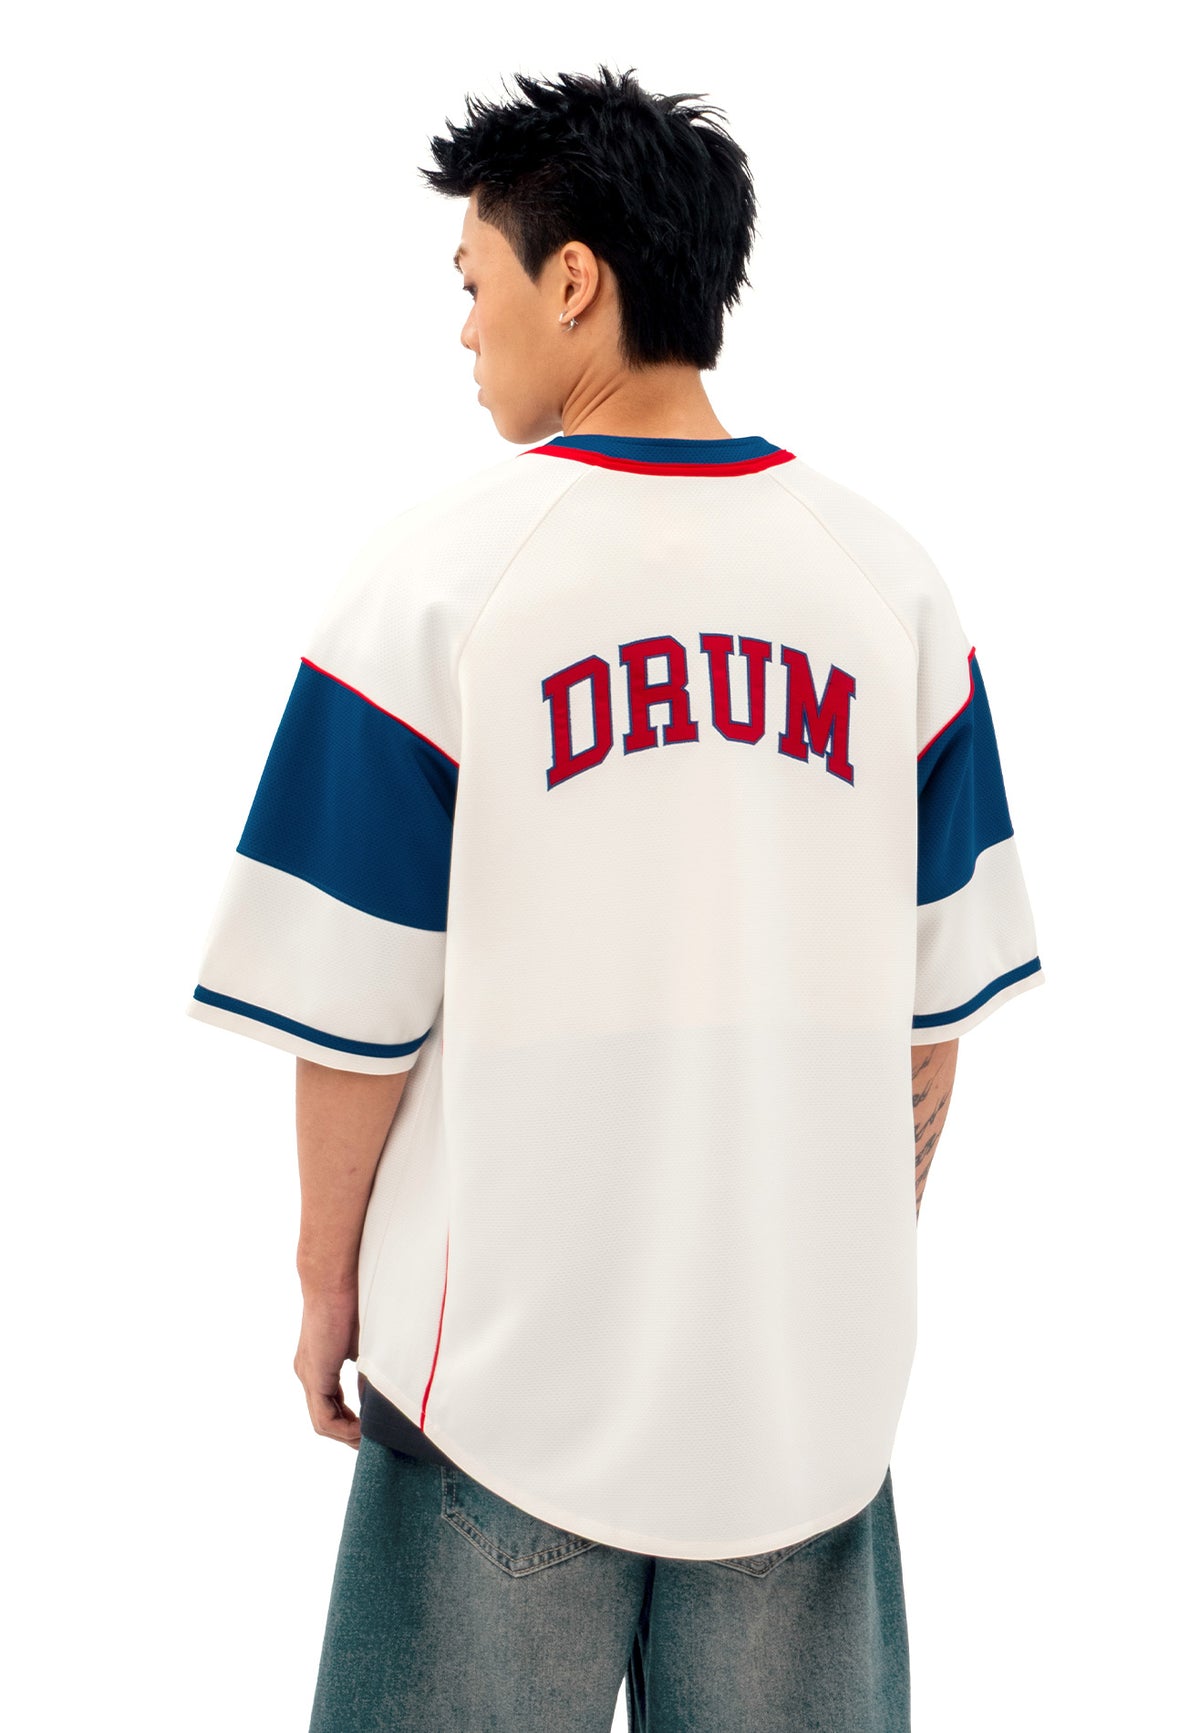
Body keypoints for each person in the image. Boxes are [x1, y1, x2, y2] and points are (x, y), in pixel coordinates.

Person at [186, 63, 1045, 1733]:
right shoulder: (889, 583)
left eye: (475, 281)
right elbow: (934, 1023)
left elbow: (350, 1011)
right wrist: (818, 1266)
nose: (464, 330)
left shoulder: (439, 577)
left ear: (573, 278)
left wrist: (323, 1283)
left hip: (501, 1393)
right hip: (801, 1409)